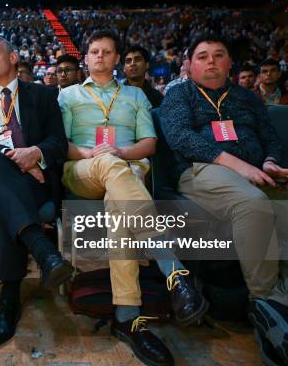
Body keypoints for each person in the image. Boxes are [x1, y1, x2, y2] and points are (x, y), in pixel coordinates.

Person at [159, 34, 288, 366]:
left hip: (259, 170)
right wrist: (239, 166)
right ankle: (265, 302)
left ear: (231, 63)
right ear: (189, 65)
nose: (211, 61)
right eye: (202, 56)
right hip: (203, 171)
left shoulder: (246, 97)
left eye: (218, 55)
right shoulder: (179, 95)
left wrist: (271, 161)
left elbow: (269, 137)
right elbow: (181, 138)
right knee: (252, 204)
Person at [59, 30, 207, 366]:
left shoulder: (136, 96)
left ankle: (129, 317)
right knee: (111, 167)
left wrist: (120, 151)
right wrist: (93, 154)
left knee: (119, 208)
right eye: (94, 51)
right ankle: (172, 268)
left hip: (127, 170)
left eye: (107, 52)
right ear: (85, 58)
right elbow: (61, 143)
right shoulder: (67, 95)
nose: (99, 56)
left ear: (116, 59)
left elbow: (149, 145)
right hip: (83, 169)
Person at [0, 36, 72, 348]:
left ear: (13, 56)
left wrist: (34, 152)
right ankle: (42, 249)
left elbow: (58, 142)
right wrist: (14, 157)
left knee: (4, 204)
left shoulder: (43, 94)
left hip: (31, 180)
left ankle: (9, 300)